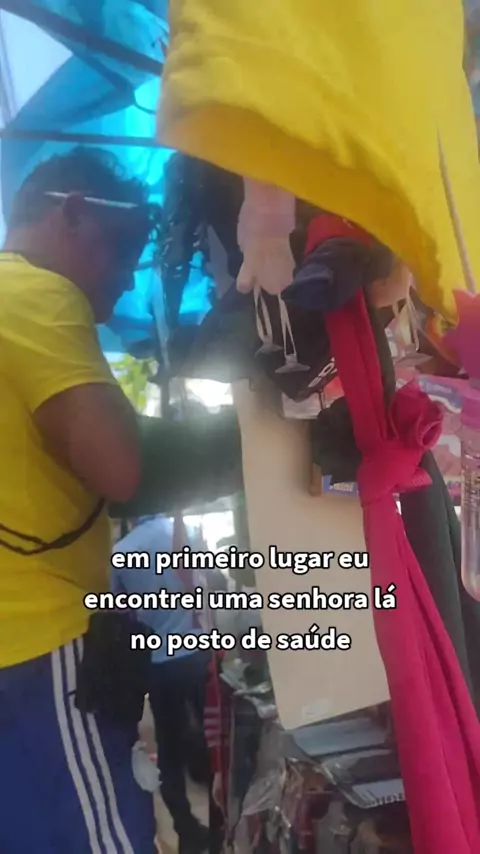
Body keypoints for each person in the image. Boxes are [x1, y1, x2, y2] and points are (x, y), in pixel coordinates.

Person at [0, 148, 157, 853]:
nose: (128, 276)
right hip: (36, 650)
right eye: (125, 247)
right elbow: (121, 471)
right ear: (72, 213)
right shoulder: (34, 294)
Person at [112, 516, 212, 854]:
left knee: (168, 749)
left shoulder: (121, 552)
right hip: (197, 653)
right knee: (213, 736)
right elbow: (205, 585)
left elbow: (120, 612)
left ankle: (186, 829)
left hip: (157, 662)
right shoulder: (185, 532)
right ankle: (221, 819)